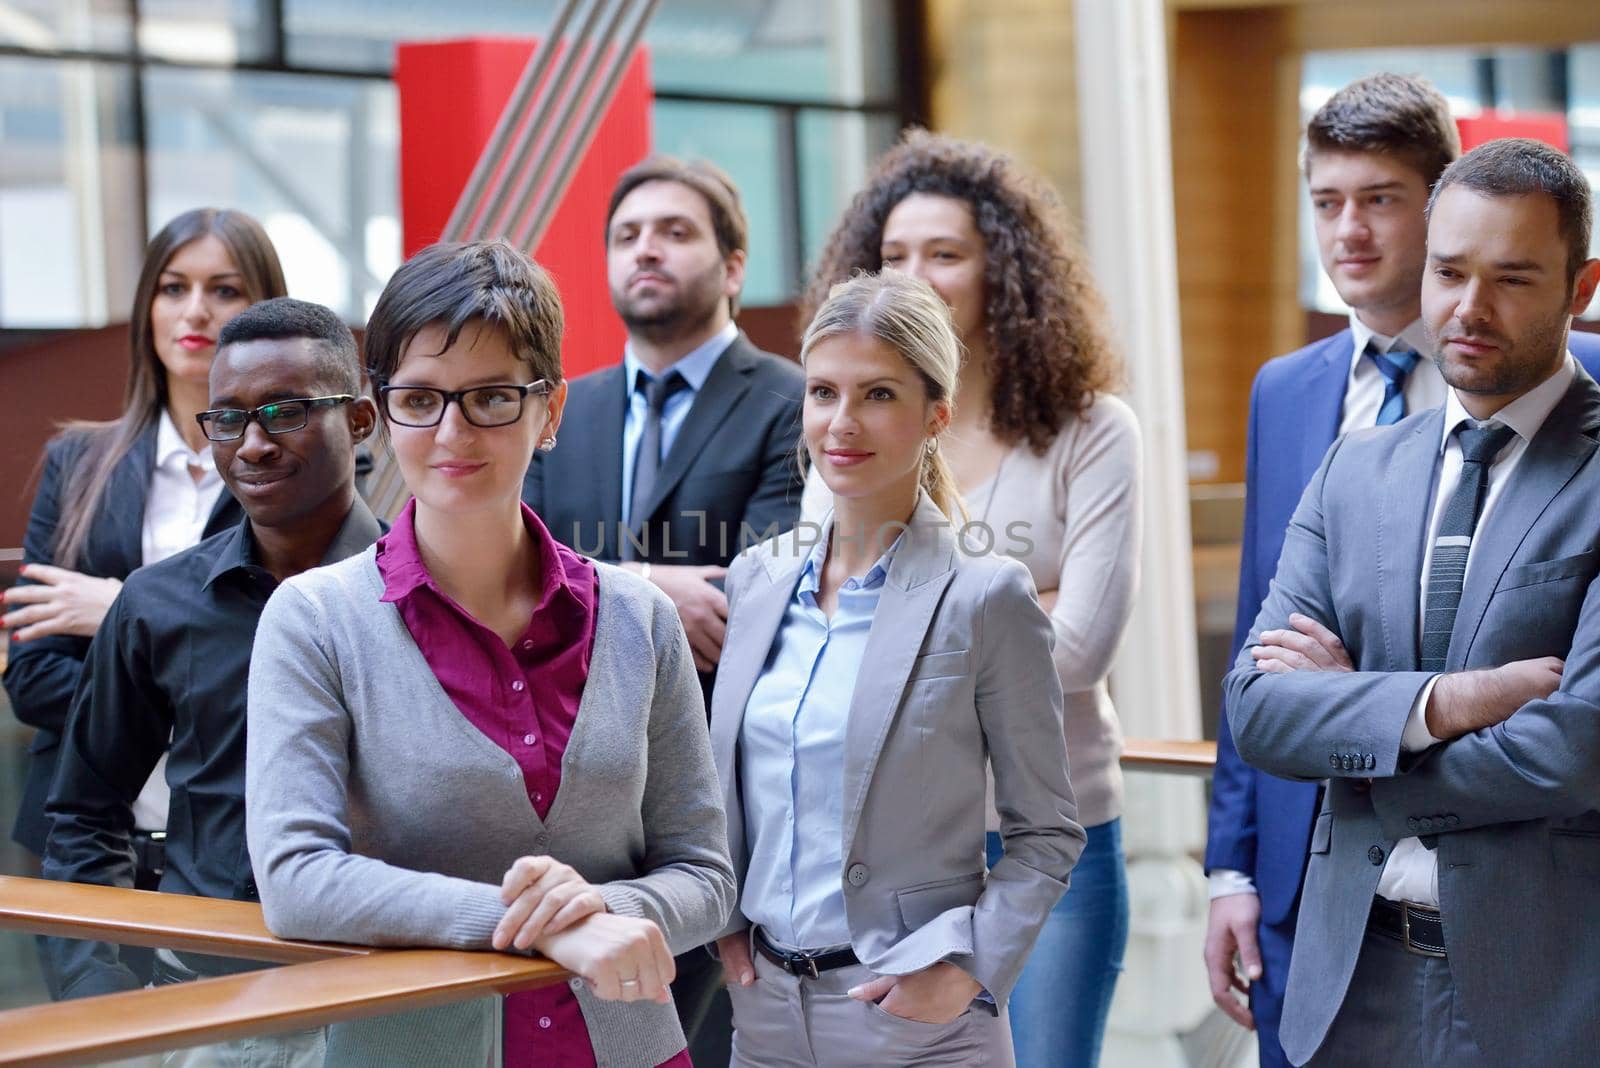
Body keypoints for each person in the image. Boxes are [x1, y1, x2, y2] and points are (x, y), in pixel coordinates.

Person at [246, 240, 735, 1068]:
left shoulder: (641, 620)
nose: (452, 431)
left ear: (550, 412)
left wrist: (600, 904)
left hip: (626, 1051)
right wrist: (550, 930)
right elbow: (296, 880)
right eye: (421, 399)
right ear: (382, 410)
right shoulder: (313, 620)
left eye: (492, 398)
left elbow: (706, 877)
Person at [1203, 75, 1600, 1065]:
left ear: (1580, 290)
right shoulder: (1357, 464)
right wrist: (1448, 703)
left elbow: (1575, 749)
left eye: (1512, 279)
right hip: (1349, 976)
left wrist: (1354, 740)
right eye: (1450, 272)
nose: (1469, 307)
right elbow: (1256, 706)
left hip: (1544, 988)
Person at [802, 130, 1139, 1067]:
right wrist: (1020, 594)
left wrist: (920, 608)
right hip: (898, 854)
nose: (916, 275)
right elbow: (829, 630)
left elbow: (1083, 654)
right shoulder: (849, 427)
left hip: (1054, 842)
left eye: (945, 254)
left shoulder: (1094, 430)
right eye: (895, 256)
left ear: (1006, 272)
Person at [710, 270, 1086, 1067]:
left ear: (935, 416)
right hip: (765, 1018)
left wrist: (970, 968)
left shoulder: (986, 597)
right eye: (822, 392)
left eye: (877, 394)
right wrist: (727, 927)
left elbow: (1046, 831)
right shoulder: (756, 581)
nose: (841, 423)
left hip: (918, 1026)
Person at [41, 297, 381, 1065]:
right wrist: (103, 999)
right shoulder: (157, 604)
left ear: (360, 421)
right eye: (226, 418)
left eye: (284, 412)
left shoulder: (423, 596)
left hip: (389, 1004)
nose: (252, 445)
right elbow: (84, 816)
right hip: (206, 1011)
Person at [522, 154, 803, 1060]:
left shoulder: (795, 402)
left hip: (727, 786)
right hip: (578, 772)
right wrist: (647, 585)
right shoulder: (565, 408)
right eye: (628, 236)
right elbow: (513, 564)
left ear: (731, 266)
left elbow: (754, 594)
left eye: (676, 233)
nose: (647, 250)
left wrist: (589, 578)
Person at [2, 207, 285, 992]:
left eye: (224, 289)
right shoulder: (76, 461)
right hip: (88, 845)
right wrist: (185, 669)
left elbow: (289, 659)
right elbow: (30, 678)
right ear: (147, 310)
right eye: (173, 287)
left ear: (263, 312)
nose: (194, 310)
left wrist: (116, 612)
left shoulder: (303, 467)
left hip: (241, 850)